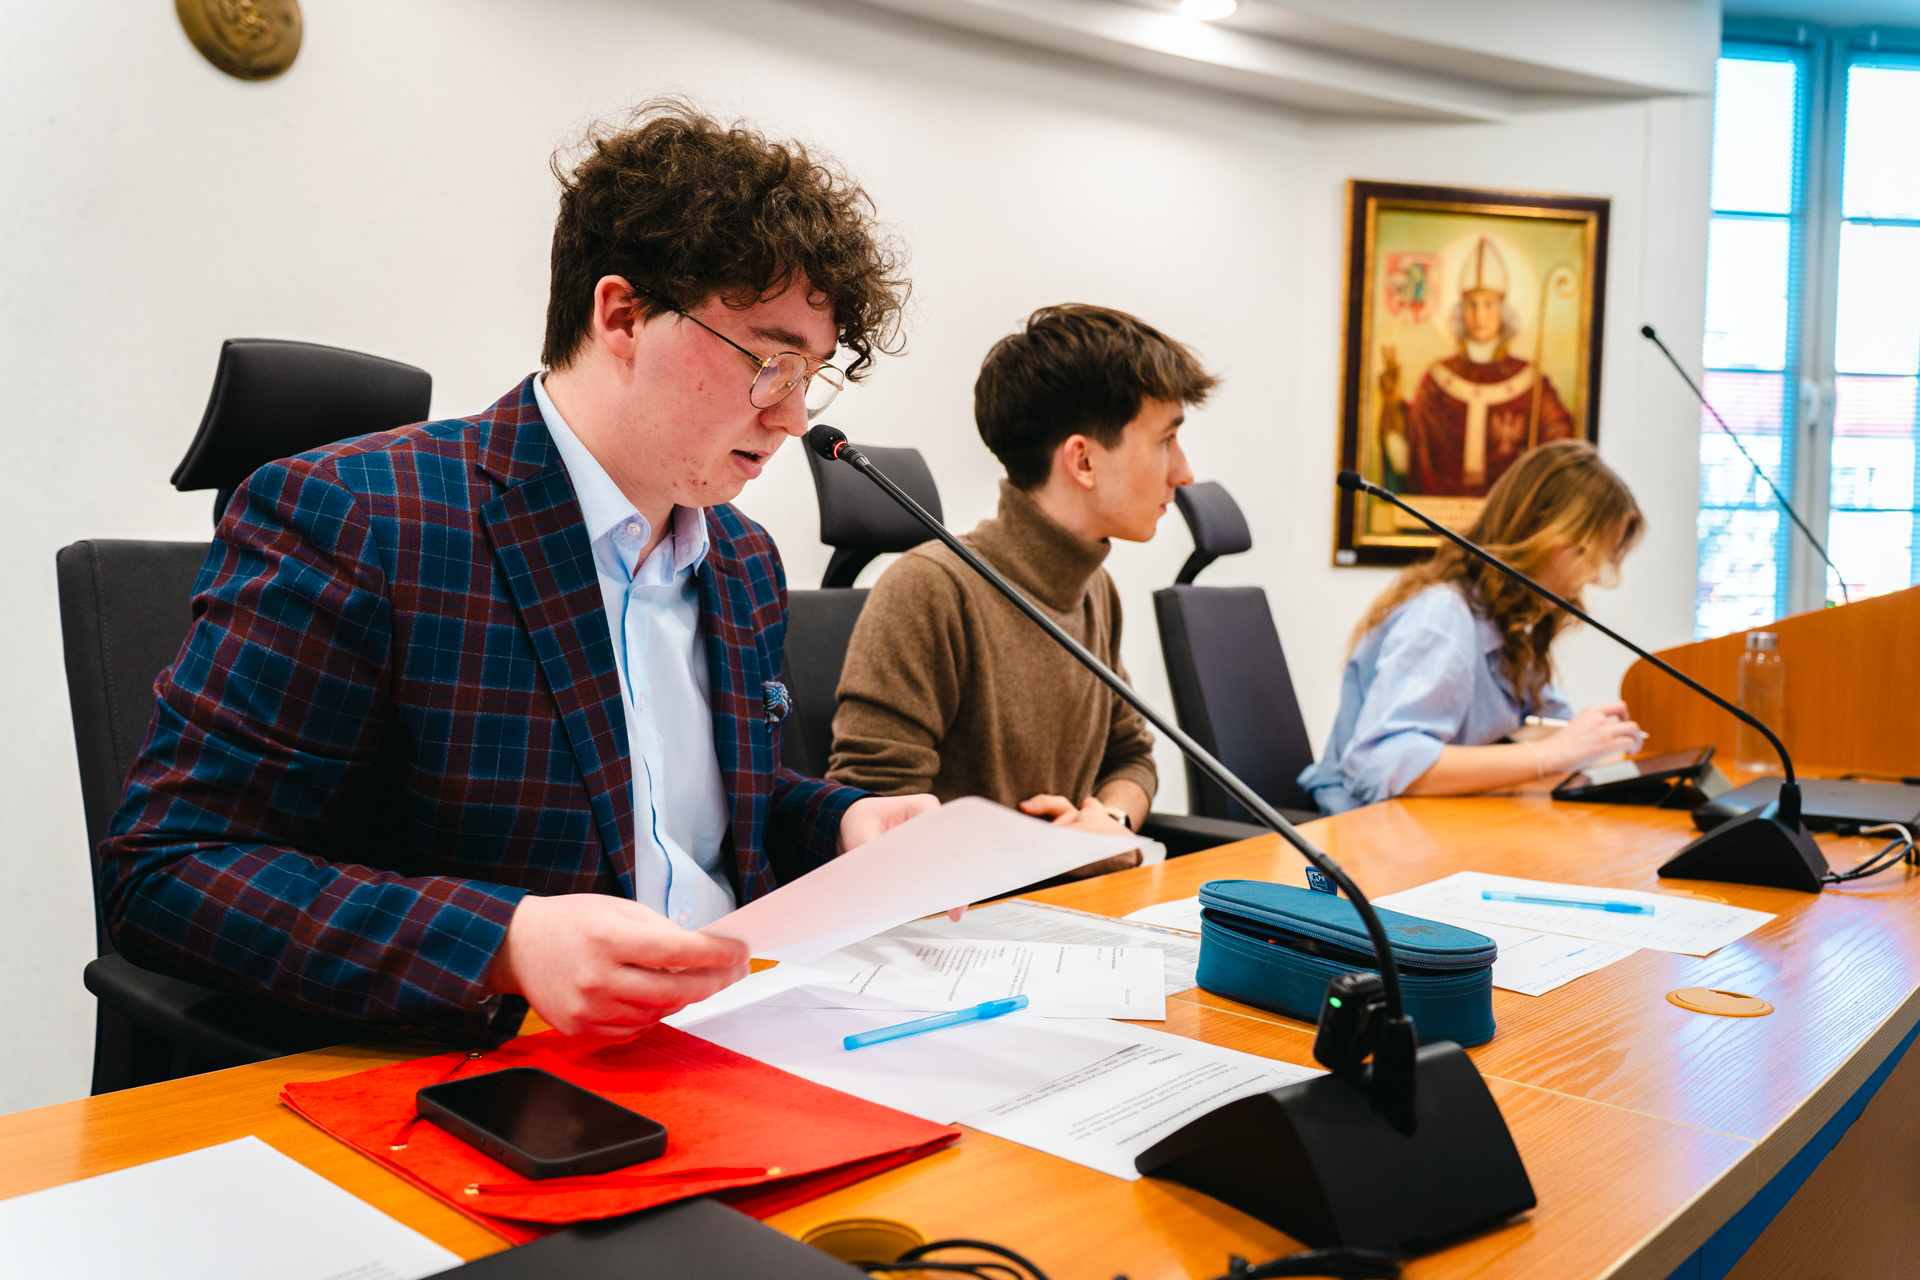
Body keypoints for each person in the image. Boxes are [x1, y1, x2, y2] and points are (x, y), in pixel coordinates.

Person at [98, 101, 935, 1044]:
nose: (790, 416)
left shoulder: (741, 560)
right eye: (770, 361)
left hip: (737, 1032)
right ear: (622, 315)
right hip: (492, 1064)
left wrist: (843, 824)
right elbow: (170, 869)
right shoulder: (363, 519)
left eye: (810, 373)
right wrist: (503, 941)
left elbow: (696, 807)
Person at [827, 304, 1217, 874]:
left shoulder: (1095, 590)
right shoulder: (930, 589)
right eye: (1166, 440)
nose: (1183, 472)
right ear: (1083, 460)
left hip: (1067, 903)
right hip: (960, 917)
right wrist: (1042, 852)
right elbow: (876, 816)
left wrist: (1108, 821)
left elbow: (1132, 757)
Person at [1298, 439, 1646, 814]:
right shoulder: (1442, 617)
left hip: (1439, 819)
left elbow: (1546, 722)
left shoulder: (1510, 620)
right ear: (1544, 537)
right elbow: (1383, 763)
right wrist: (1550, 753)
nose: (1595, 577)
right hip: (1363, 828)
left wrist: (1586, 737)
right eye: (1589, 555)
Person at [1377, 236, 1576, 497]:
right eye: (1472, 305)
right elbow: (1410, 453)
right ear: (1461, 311)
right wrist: (1392, 405)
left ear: (1503, 311)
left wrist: (1539, 460)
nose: (1480, 315)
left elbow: (1560, 437)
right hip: (1440, 511)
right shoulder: (1438, 380)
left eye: (1489, 304)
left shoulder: (1530, 381)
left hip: (1509, 507)